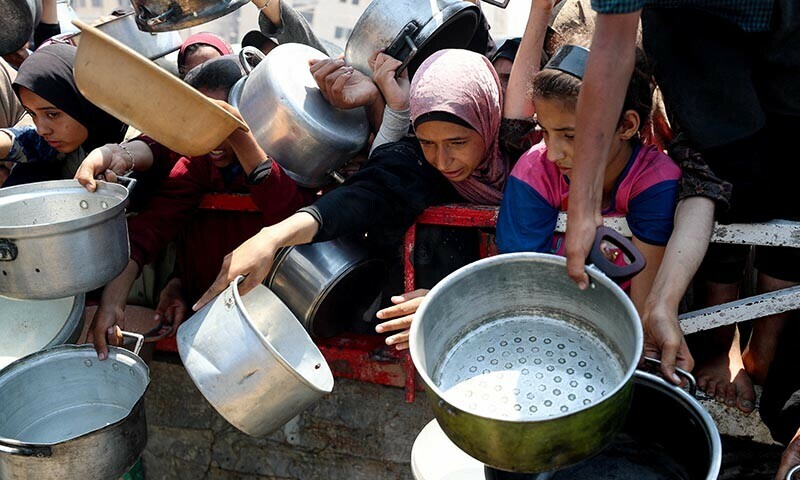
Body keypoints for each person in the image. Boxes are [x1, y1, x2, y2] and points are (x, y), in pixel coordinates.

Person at [561, 0, 799, 417]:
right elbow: (613, 42)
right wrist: (583, 206)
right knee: (726, 166)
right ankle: (721, 341)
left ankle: (766, 339)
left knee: (795, 174)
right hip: (699, 39)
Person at [192, 47, 539, 313]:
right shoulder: (416, 164)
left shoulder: (535, 165)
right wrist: (271, 237)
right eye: (428, 142)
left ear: (487, 119)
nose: (442, 160)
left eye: (458, 143)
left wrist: (453, 299)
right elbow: (363, 196)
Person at [77, 55, 313, 360]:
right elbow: (149, 230)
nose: (210, 135)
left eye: (220, 120)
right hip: (213, 320)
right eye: (198, 120)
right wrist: (112, 304)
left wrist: (240, 136)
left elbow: (291, 219)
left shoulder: (293, 151)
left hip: (284, 321)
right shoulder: (197, 163)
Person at [496, 1, 678, 314]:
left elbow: (642, 310)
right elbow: (524, 286)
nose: (553, 153)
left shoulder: (656, 181)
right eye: (545, 132)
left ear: (626, 125)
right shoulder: (534, 170)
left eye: (570, 135)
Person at [0, 44, 127, 187]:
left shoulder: (136, 149)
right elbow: (27, 141)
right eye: (32, 113)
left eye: (52, 114)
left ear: (84, 101)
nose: (42, 130)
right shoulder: (59, 146)